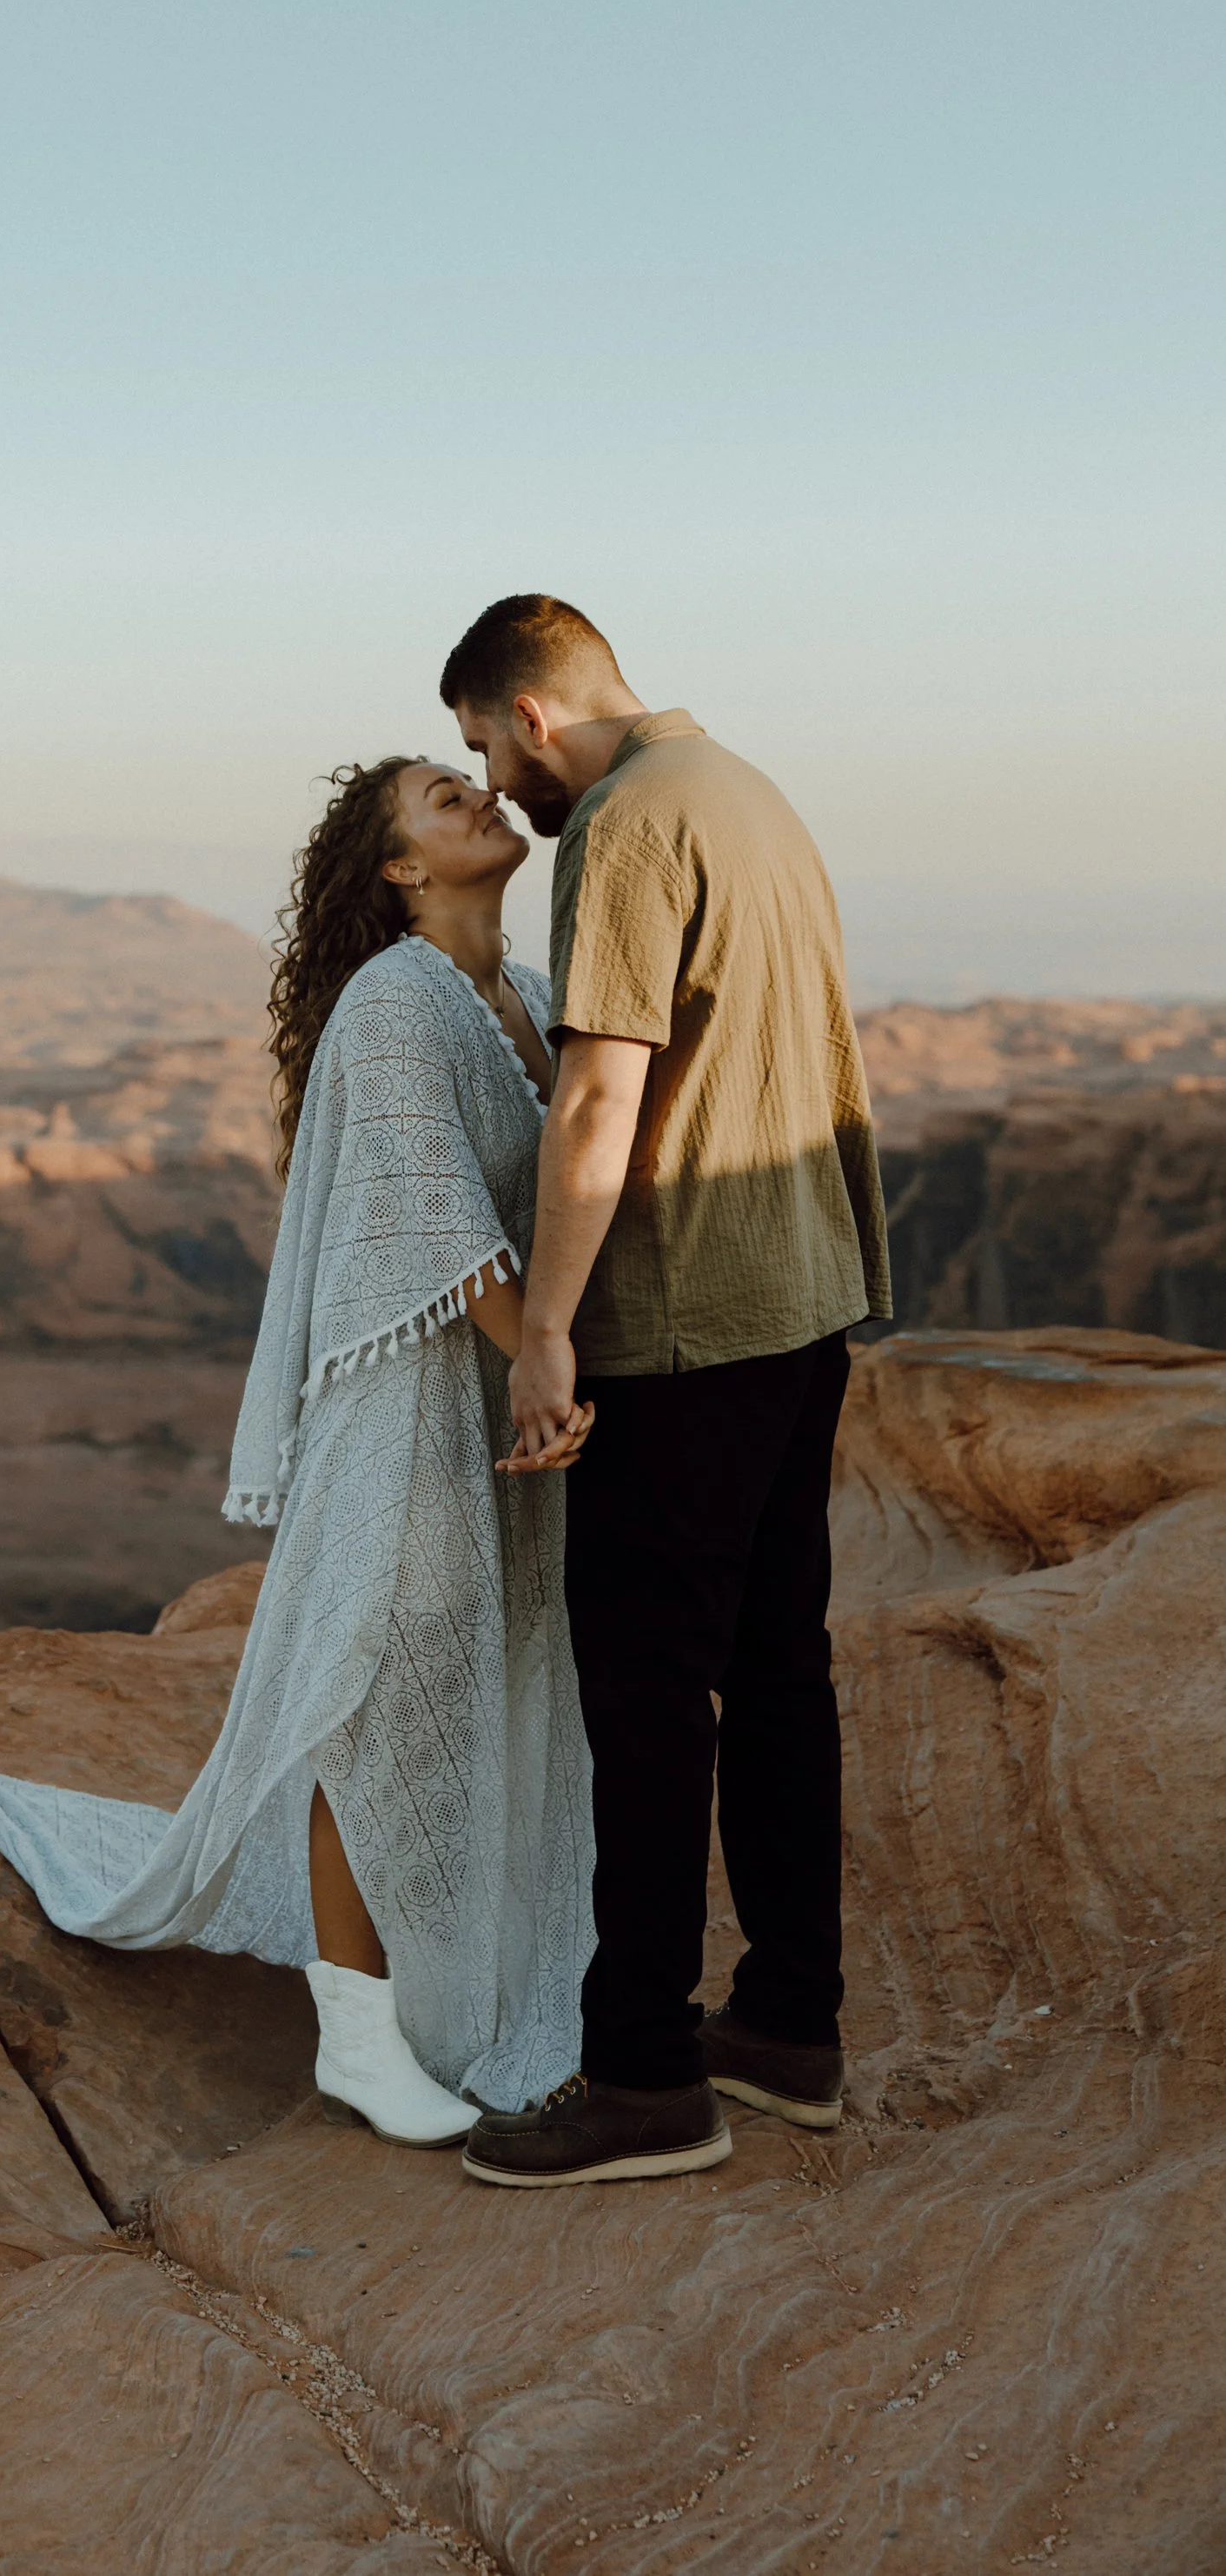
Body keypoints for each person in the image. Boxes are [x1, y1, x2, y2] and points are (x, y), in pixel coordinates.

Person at [0, 757, 596, 2141]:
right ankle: (357, 2031)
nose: (479, 802)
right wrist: (552, 1367)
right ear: (398, 871)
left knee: (484, 1682)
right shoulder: (398, 999)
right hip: (405, 1417)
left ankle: (485, 1978)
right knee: (370, 1693)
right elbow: (440, 1234)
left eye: (473, 785)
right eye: (441, 802)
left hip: (484, 1407)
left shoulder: (520, 996)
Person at [441, 592, 891, 2190]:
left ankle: (642, 2076)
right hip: (801, 1300)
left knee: (643, 1697)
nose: (495, 785)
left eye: (486, 745)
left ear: (535, 711)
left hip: (688, 1321)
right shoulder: (746, 792)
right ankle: (786, 2027)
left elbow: (599, 1095)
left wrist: (548, 1325)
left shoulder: (623, 826)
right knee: (778, 1673)